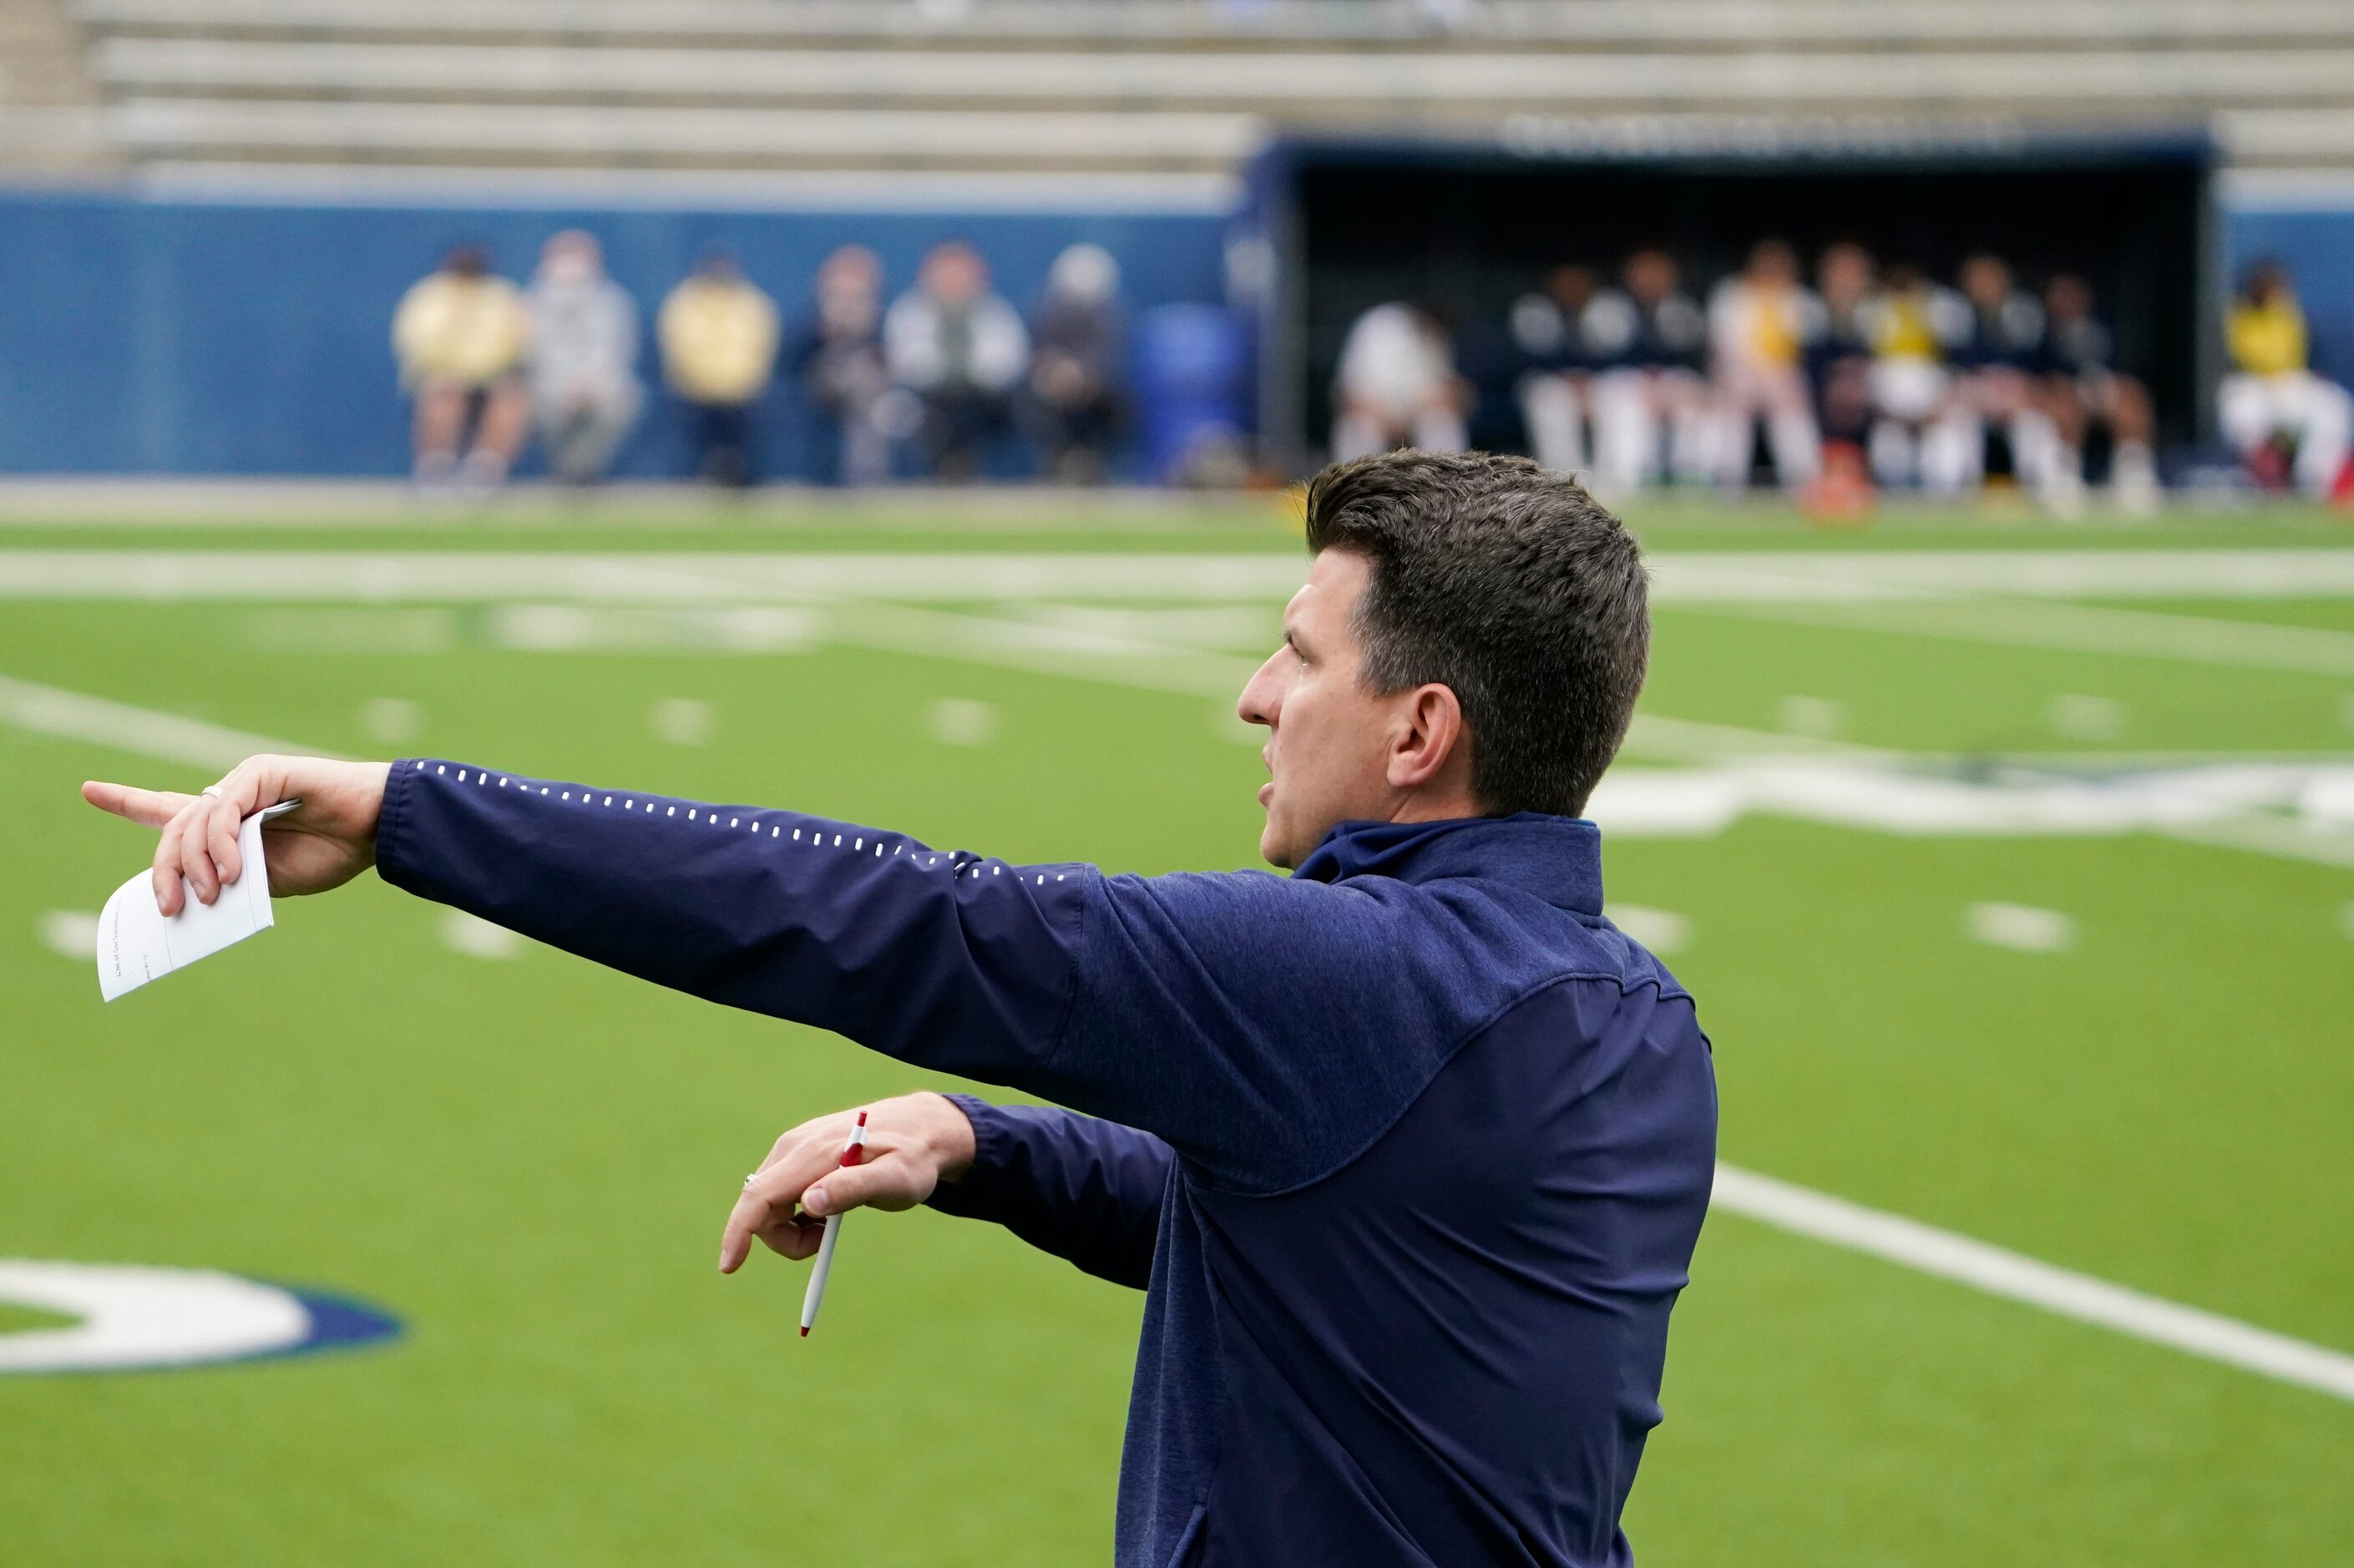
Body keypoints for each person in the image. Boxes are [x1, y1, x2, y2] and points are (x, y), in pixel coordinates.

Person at [87, 450, 1717, 1568]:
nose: (1250, 693)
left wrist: (404, 815)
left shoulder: (1348, 981)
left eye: (1296, 655)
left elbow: (898, 920)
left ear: (1419, 729)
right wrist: (979, 1146)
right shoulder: (1636, 1022)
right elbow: (1338, 1242)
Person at [392, 245, 531, 495]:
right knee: (443, 395)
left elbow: (515, 342)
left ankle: (483, 474)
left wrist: (482, 371)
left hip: (490, 380)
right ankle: (435, 471)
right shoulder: (429, 296)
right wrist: (453, 371)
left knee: (510, 400)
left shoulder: (500, 296)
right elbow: (419, 343)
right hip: (442, 378)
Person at [884, 240, 1030, 478]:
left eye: (960, 273)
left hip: (984, 400)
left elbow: (1010, 362)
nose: (953, 281)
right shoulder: (909, 311)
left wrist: (973, 375)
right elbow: (904, 361)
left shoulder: (997, 312)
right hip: (928, 398)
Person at [2219, 260, 2354, 503]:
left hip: (2290, 382)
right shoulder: (2237, 316)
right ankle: (2263, 478)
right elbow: (2255, 356)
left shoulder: (2288, 313)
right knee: (2242, 412)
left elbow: (2296, 354)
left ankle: (2317, 480)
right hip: (2252, 385)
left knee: (2335, 406)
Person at [1583, 248, 1711, 497]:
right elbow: (1604, 357)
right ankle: (1629, 478)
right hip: (1620, 380)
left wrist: (1659, 381)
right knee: (1628, 404)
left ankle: (1690, 474)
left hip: (1667, 381)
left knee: (1695, 398)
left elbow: (1688, 355)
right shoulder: (1608, 305)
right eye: (1645, 272)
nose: (1651, 279)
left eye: (1659, 273)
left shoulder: (1680, 307)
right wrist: (1645, 379)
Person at [2034, 274, 2161, 514]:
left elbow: (2121, 365)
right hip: (2065, 391)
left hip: (2102, 386)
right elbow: (2042, 372)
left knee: (2132, 394)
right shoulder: (2045, 332)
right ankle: (2065, 475)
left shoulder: (2105, 326)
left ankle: (2133, 473)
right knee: (2064, 399)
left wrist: (2103, 387)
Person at [524, 230, 641, 488]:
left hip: (598, 383)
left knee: (622, 401)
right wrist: (562, 383)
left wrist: (591, 380)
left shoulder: (612, 300)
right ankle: (564, 467)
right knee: (529, 402)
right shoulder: (533, 301)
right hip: (549, 384)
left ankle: (583, 468)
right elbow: (533, 352)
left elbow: (616, 348)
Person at [1705, 239, 1823, 493]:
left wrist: (1775, 378)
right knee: (1734, 406)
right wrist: (1750, 377)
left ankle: (1805, 483)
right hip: (1737, 376)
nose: (1771, 271)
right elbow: (1722, 345)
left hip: (1781, 380)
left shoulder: (1801, 299)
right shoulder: (1730, 294)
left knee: (1791, 407)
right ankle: (1727, 484)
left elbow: (1805, 350)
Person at [658, 249, 781, 488]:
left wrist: (735, 380)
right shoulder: (685, 302)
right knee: (699, 413)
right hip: (694, 387)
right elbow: (681, 348)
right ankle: (704, 472)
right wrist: (707, 379)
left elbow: (758, 348)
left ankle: (734, 470)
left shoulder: (750, 303)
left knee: (743, 414)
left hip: (741, 388)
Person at [1945, 253, 2060, 498]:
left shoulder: (2024, 312)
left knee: (2035, 425)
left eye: (1989, 278)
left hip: (2017, 394)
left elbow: (2038, 367)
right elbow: (1954, 369)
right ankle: (1957, 494)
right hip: (1973, 395)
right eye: (1976, 279)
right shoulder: (1955, 314)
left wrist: (2026, 393)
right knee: (1954, 426)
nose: (1982, 286)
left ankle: (2044, 491)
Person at [1862, 262, 1975, 496]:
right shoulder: (1875, 310)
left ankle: (1948, 492)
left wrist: (1935, 407)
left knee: (1949, 428)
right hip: (1890, 398)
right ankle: (1892, 491)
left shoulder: (1940, 307)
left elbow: (1956, 361)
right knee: (1888, 434)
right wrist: (1899, 412)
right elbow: (1871, 371)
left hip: (1931, 392)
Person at [1020, 243, 1126, 483]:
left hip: (1095, 389)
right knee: (1031, 402)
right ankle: (1058, 457)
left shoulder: (1110, 318)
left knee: (1114, 403)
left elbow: (1106, 356)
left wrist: (1081, 374)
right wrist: (1055, 372)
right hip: (1048, 385)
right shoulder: (1045, 313)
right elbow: (1037, 352)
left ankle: (1089, 458)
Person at [787, 245, 892, 487]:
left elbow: (891, 357)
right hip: (820, 387)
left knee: (868, 390)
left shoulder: (879, 316)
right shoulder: (813, 316)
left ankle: (864, 476)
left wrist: (865, 334)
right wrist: (823, 332)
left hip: (867, 391)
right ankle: (829, 477)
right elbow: (792, 356)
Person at [1329, 301, 1468, 461]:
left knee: (1442, 423)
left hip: (1415, 418)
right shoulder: (1376, 325)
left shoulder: (1437, 340)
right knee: (1357, 430)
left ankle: (1447, 482)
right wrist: (1386, 420)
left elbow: (1445, 395)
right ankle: (1354, 484)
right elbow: (1350, 394)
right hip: (1374, 416)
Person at [1805, 241, 1881, 513]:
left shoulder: (1881, 320)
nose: (1846, 283)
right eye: (1839, 274)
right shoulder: (1806, 318)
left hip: (1872, 432)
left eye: (1853, 274)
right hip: (1818, 432)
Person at [1509, 263, 1604, 475]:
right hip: (1547, 382)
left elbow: (1611, 358)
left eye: (1579, 282)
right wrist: (1567, 377)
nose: (1573, 287)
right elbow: (1527, 359)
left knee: (1619, 395)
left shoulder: (1604, 309)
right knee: (1550, 399)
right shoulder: (1533, 310)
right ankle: (1564, 474)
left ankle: (1619, 477)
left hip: (1592, 383)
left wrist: (1585, 380)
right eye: (1567, 281)